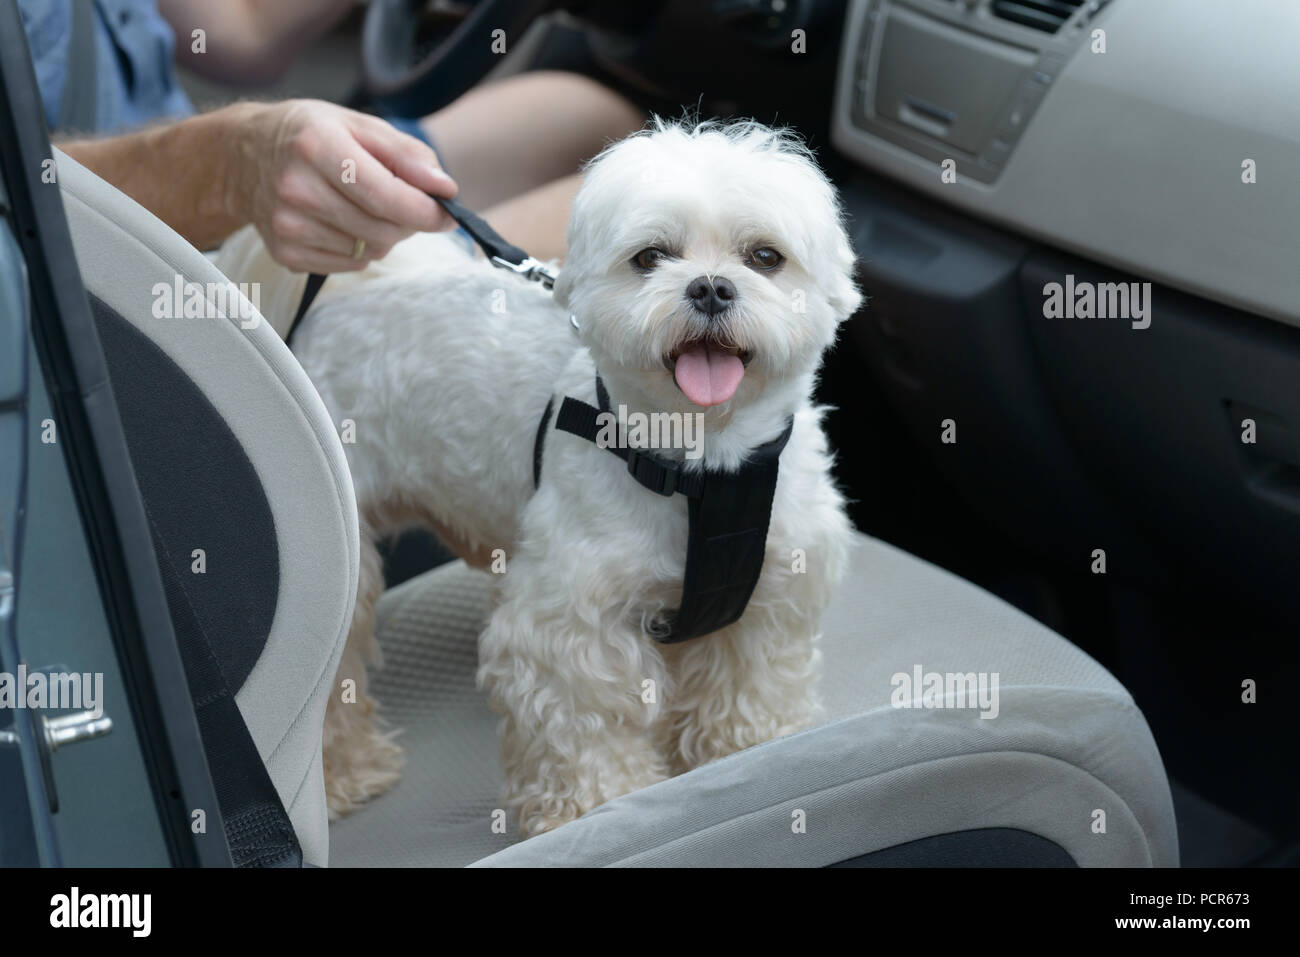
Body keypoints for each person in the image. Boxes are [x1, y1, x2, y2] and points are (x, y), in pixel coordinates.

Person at [17, 0, 643, 272]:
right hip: (120, 277)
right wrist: (231, 168)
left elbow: (244, 27)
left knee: (593, 120)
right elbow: (14, 199)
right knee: (642, 202)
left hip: (186, 178)